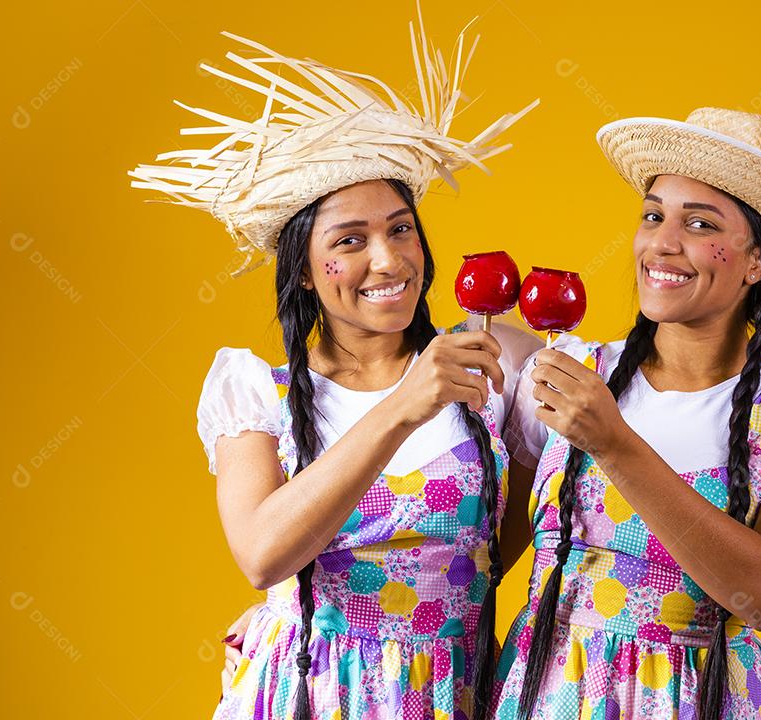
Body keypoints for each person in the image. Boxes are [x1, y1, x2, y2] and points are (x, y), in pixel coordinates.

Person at [131, 10, 539, 720]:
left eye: (401, 229)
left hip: (448, 691)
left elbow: (644, 381)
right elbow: (262, 554)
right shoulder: (254, 391)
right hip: (306, 694)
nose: (388, 261)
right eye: (350, 241)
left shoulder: (492, 360)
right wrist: (406, 403)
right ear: (305, 276)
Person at [490, 108, 761, 720]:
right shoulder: (564, 374)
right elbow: (486, 555)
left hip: (703, 699)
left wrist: (613, 444)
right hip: (548, 693)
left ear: (757, 263)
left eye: (699, 224)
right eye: (653, 215)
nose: (662, 242)